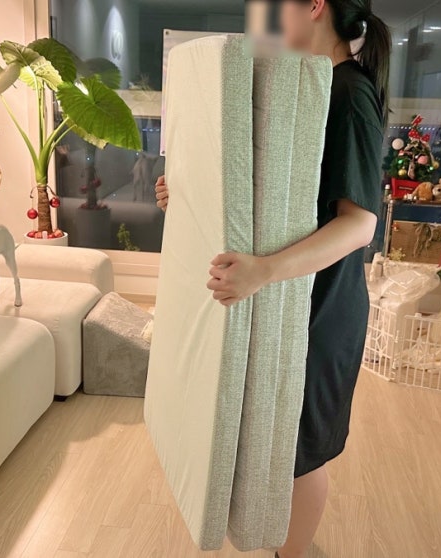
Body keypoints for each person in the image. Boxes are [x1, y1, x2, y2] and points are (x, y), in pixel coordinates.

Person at [156, 1, 390, 556]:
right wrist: (185, 194)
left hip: (322, 307)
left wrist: (264, 271)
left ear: (315, 6)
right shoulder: (298, 85)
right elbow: (263, 198)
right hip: (282, 295)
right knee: (273, 444)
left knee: (298, 453)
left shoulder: (348, 94)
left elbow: (360, 224)